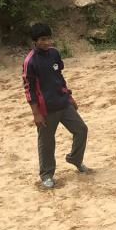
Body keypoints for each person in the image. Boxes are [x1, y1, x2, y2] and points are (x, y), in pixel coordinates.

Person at [22, 22, 91, 189]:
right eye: (42, 39)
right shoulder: (30, 61)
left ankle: (75, 159)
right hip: (45, 109)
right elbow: (28, 89)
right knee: (46, 141)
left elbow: (59, 77)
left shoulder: (54, 54)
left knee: (81, 129)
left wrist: (70, 96)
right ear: (35, 41)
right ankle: (46, 174)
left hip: (63, 102)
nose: (47, 42)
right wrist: (36, 113)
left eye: (48, 38)